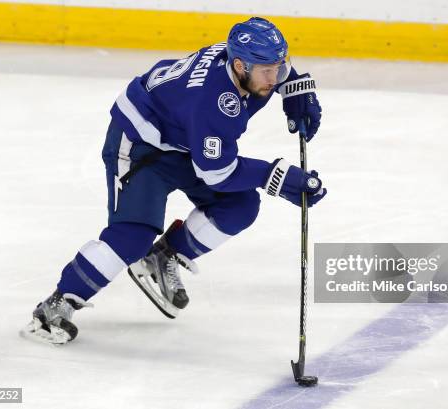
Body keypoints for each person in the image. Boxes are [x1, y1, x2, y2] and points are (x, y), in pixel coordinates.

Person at [22, 17, 326, 344]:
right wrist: (275, 176)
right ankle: (55, 306)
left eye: (279, 67)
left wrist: (294, 87)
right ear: (240, 66)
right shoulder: (213, 103)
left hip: (181, 138)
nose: (274, 76)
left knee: (240, 204)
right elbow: (217, 173)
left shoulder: (243, 65)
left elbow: (275, 69)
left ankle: (162, 257)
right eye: (268, 71)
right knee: (132, 236)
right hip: (140, 146)